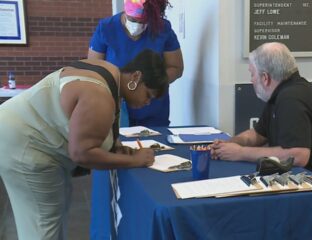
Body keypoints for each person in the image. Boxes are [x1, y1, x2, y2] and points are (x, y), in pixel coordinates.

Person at [0, 49, 168, 240]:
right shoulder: (99, 95)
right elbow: (82, 154)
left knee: (54, 210)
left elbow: (89, 128)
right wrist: (135, 160)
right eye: (148, 95)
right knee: (42, 223)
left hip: (16, 130)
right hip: (24, 145)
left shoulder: (110, 72)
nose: (147, 103)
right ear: (136, 77)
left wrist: (114, 146)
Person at [211, 42, 312, 209]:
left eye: (252, 74)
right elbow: (258, 134)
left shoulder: (292, 98)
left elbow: (298, 156)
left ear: (265, 77)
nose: (251, 80)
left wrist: (240, 153)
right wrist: (231, 144)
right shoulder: (284, 92)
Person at [88, 0, 183, 127]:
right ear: (125, 11)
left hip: (154, 111)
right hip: (115, 108)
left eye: (143, 22)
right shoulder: (106, 28)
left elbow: (176, 67)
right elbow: (94, 71)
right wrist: (124, 88)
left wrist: (149, 84)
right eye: (132, 20)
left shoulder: (162, 28)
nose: (137, 25)